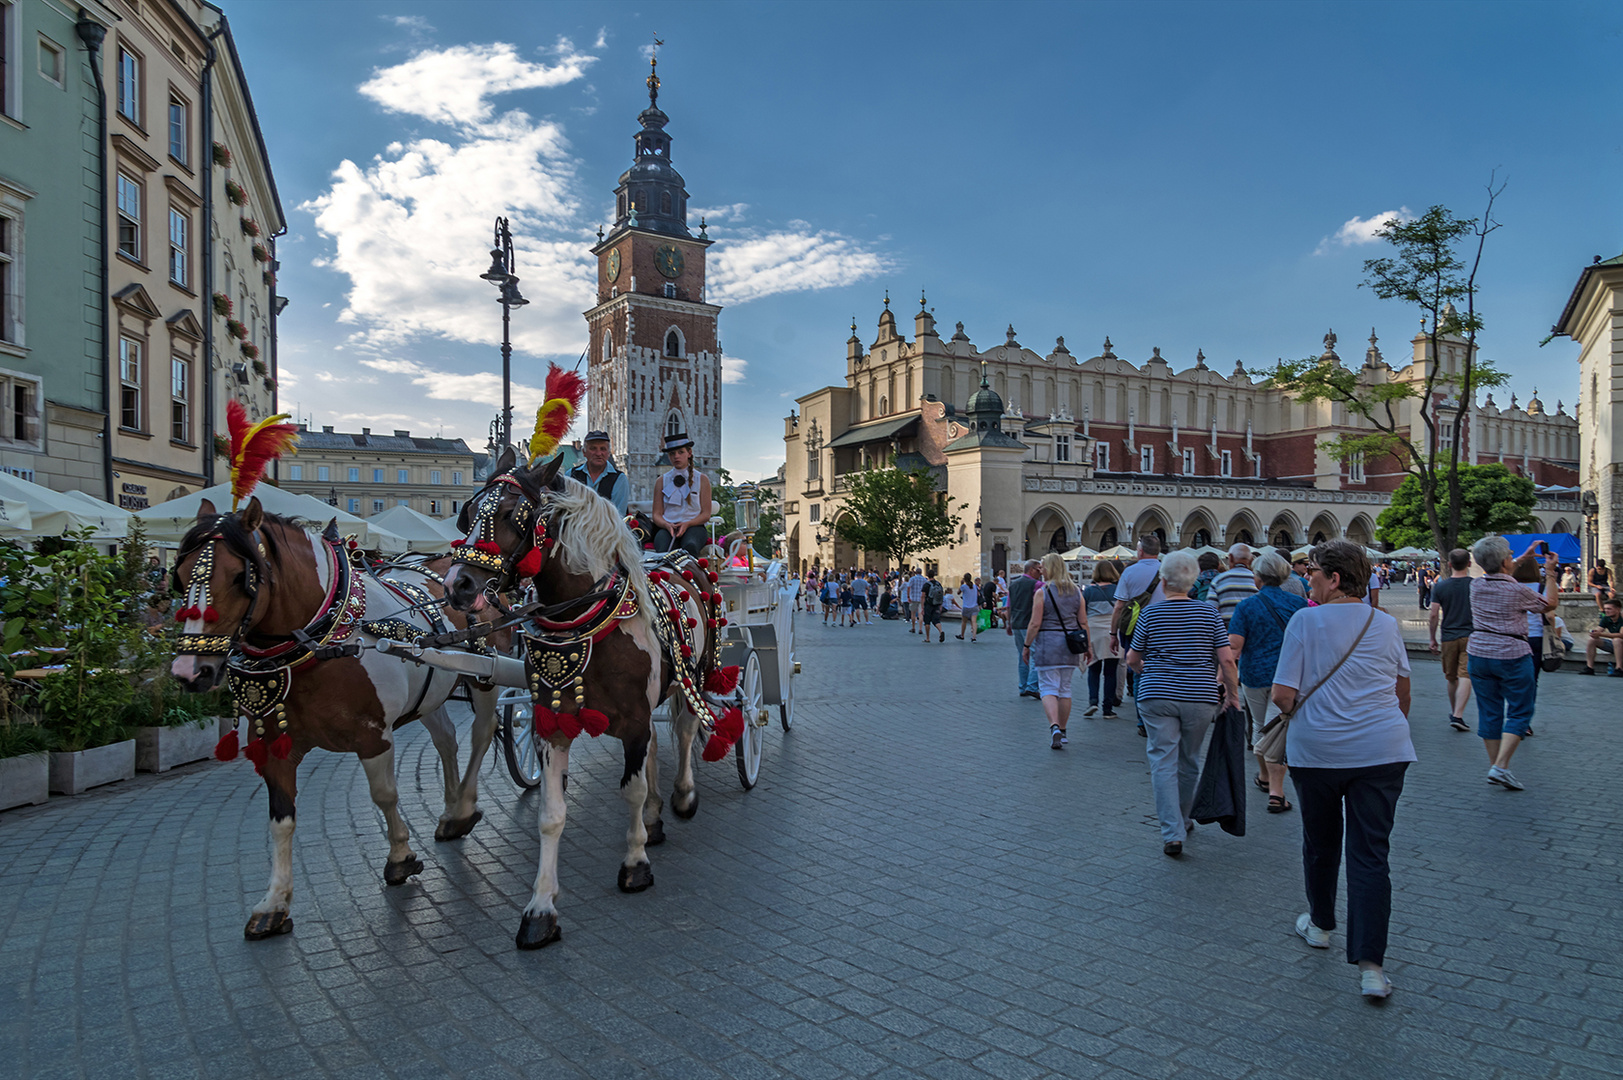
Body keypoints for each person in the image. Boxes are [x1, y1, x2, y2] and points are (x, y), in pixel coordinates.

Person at [1272, 539, 1414, 1001]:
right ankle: (1372, 968)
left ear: (1333, 578)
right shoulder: (1385, 623)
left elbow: (1282, 695)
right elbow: (1402, 689)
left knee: (1321, 840)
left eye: (1312, 569)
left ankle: (1319, 924)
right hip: (1383, 749)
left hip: (1318, 752)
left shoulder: (1305, 620)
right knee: (1371, 854)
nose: (1306, 575)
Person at [1125, 549, 1238, 857]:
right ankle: (1184, 818)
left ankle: (1171, 831)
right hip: (1199, 697)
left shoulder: (1150, 613)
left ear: (1163, 582)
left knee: (1163, 761)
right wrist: (1233, 695)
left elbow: (1132, 658)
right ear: (1193, 582)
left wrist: (1144, 671)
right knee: (1189, 759)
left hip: (1156, 695)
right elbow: (1227, 660)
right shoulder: (1208, 614)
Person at [1466, 535, 1559, 792]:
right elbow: (1550, 604)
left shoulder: (1476, 586)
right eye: (1509, 555)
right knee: (1520, 710)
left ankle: (1497, 767)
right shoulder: (1517, 591)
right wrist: (1550, 573)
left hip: (1479, 652)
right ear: (1506, 562)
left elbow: (1497, 569)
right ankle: (1501, 766)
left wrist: (1522, 558)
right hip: (1512, 654)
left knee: (1489, 711)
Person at [1228, 551, 1309, 813]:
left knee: (1263, 728)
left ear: (1258, 577)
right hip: (1287, 676)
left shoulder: (1246, 606)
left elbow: (1235, 647)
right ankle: (1276, 790)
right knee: (1278, 731)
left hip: (1253, 675)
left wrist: (1225, 675)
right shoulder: (1298, 604)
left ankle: (1267, 780)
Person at [1026, 553, 1092, 750]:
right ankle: (1063, 731)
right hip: (1070, 646)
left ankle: (1053, 726)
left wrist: (1027, 645)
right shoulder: (1076, 592)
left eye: (1043, 567)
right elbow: (1083, 622)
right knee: (1064, 689)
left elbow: (1035, 623)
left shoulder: (1043, 592)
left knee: (1047, 688)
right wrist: (1088, 646)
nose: (1041, 570)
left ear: (1051, 568)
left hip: (1048, 644)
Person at [1110, 535, 1168, 717]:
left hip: (1136, 628)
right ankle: (1160, 710)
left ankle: (1142, 718)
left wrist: (1113, 633)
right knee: (1162, 668)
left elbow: (1119, 606)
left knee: (1138, 671)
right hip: (1164, 627)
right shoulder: (1167, 570)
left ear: (1141, 551)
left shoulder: (1129, 572)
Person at [1427, 548, 1475, 732]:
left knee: (1451, 677)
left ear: (1449, 564)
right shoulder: (1475, 585)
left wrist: (1432, 638)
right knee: (1466, 675)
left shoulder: (1440, 587)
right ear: (1469, 563)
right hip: (1471, 635)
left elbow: (1433, 614)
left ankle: (1454, 712)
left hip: (1448, 636)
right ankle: (1458, 714)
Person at [651, 433, 713, 557]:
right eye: (672, 454)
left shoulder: (702, 479)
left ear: (689, 453)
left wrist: (688, 523)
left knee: (690, 546)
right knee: (663, 549)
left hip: (694, 526)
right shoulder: (661, 481)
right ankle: (665, 575)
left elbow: (706, 514)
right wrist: (666, 525)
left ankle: (690, 575)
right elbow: (656, 514)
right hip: (668, 527)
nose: (676, 456)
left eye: (680, 452)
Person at [1082, 560, 1122, 718]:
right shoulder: (1118, 589)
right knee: (1111, 672)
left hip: (1093, 630)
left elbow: (1083, 613)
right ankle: (1107, 708)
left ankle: (1093, 701)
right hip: (1112, 630)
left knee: (1093, 669)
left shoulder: (1088, 591)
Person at [568, 430, 630, 515]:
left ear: (608, 453)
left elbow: (618, 516)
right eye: (593, 448)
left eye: (603, 449)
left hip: (608, 528)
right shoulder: (571, 475)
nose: (598, 453)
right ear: (584, 452)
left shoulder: (619, 479)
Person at [1006, 561, 1040, 699]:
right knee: (1035, 655)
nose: (1040, 573)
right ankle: (1032, 686)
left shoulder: (1013, 584)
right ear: (1031, 570)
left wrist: (1009, 623)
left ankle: (1022, 686)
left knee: (1022, 655)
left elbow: (1009, 605)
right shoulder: (1037, 585)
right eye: (1038, 570)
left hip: (1017, 624)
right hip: (1029, 623)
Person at [1210, 543, 1259, 625]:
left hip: (1226, 630)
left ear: (1231, 558)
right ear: (1250, 560)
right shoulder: (1256, 580)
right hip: (1252, 628)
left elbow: (1212, 610)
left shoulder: (1219, 580)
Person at [1582, 596, 1623, 675]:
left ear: (1618, 609)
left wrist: (1601, 634)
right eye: (1605, 609)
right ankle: (1589, 667)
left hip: (1619, 642)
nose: (1606, 611)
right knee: (1592, 641)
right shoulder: (1606, 618)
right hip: (1616, 645)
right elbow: (1599, 630)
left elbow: (1621, 635)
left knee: (1617, 640)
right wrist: (1594, 633)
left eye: (1609, 609)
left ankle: (1619, 668)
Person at [921, 568, 945, 642]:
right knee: (936, 620)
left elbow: (923, 596)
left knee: (927, 621)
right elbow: (941, 595)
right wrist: (940, 605)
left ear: (927, 575)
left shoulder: (926, 585)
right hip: (936, 604)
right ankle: (941, 631)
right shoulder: (938, 584)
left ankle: (928, 638)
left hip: (928, 605)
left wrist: (922, 607)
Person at [955, 572, 980, 641]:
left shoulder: (964, 586)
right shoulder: (975, 586)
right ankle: (974, 637)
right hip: (974, 606)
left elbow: (958, 593)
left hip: (966, 607)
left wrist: (961, 584)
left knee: (964, 622)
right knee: (974, 622)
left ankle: (962, 635)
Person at [907, 566, 927, 634]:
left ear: (916, 572)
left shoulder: (912, 579)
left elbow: (909, 587)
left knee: (913, 613)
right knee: (920, 614)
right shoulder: (924, 579)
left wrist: (908, 596)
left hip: (913, 598)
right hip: (921, 598)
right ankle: (920, 629)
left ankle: (913, 627)